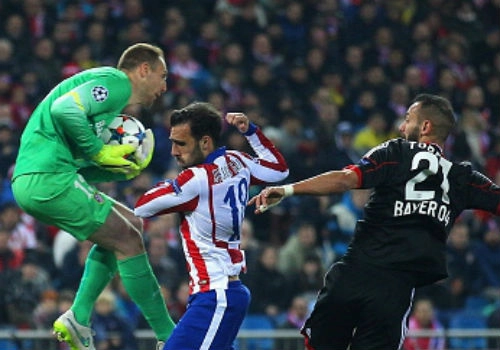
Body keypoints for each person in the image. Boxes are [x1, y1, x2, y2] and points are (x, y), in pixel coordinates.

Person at [249, 93, 500, 350]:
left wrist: (289, 190)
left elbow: (345, 179)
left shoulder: (395, 151)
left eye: (407, 119)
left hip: (356, 272)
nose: (402, 127)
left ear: (425, 126)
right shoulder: (462, 178)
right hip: (395, 290)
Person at [11, 43, 175, 350]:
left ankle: (79, 316)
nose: (165, 86)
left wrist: (116, 170)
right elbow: (64, 109)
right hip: (48, 178)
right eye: (162, 75)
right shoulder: (116, 82)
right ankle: (169, 336)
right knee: (128, 239)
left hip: (43, 178)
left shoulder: (104, 104)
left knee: (131, 225)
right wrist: (99, 150)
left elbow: (79, 167)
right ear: (143, 70)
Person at [134, 102, 289, 350]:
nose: (174, 151)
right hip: (225, 292)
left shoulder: (196, 179)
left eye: (181, 143)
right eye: (172, 142)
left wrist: (142, 170)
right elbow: (279, 169)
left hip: (215, 294)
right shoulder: (237, 161)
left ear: (205, 143)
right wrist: (251, 132)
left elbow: (142, 207)